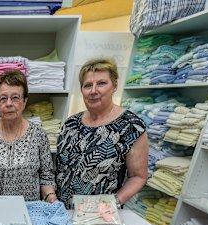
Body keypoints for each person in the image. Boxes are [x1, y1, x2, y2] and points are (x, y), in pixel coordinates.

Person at [55, 57, 148, 207]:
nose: (93, 91)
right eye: (87, 85)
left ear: (115, 85)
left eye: (101, 83)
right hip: (63, 211)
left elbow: (138, 177)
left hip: (100, 216)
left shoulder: (131, 126)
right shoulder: (70, 124)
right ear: (81, 90)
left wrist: (113, 204)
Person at [0, 70, 56, 206]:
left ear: (25, 101)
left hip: (29, 213)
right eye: (3, 98)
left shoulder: (39, 134)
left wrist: (51, 197)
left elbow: (46, 177)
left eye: (15, 98)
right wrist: (0, 202)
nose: (9, 103)